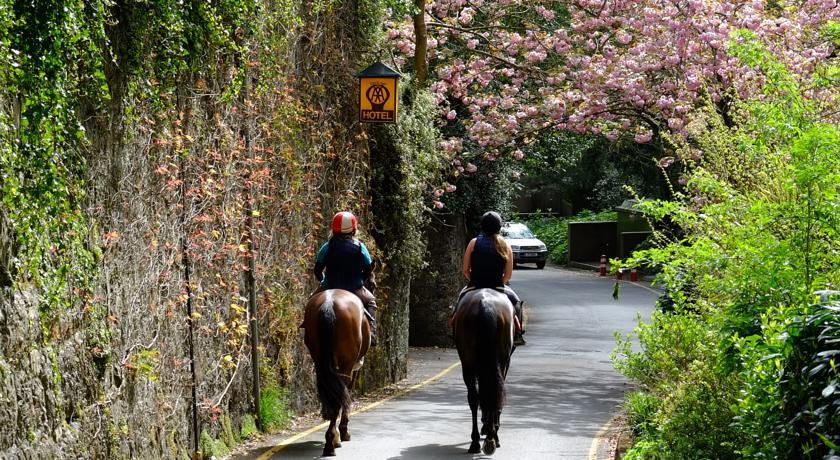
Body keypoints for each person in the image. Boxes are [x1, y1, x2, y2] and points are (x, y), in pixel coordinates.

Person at [455, 211, 525, 345]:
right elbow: (508, 274)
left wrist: (474, 279)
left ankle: (454, 326)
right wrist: (499, 282)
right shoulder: (505, 245)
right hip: (497, 286)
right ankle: (518, 333)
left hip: (475, 284)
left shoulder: (473, 243)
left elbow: (465, 270)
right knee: (516, 303)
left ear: (482, 226)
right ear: (499, 227)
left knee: (459, 302)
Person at [311, 211, 378, 346]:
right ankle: (371, 332)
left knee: (312, 301)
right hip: (354, 287)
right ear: (353, 229)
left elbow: (317, 270)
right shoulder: (360, 247)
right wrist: (360, 280)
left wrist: (323, 281)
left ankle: (307, 324)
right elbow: (368, 269)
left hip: (330, 285)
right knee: (371, 302)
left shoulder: (327, 246)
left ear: (334, 228)